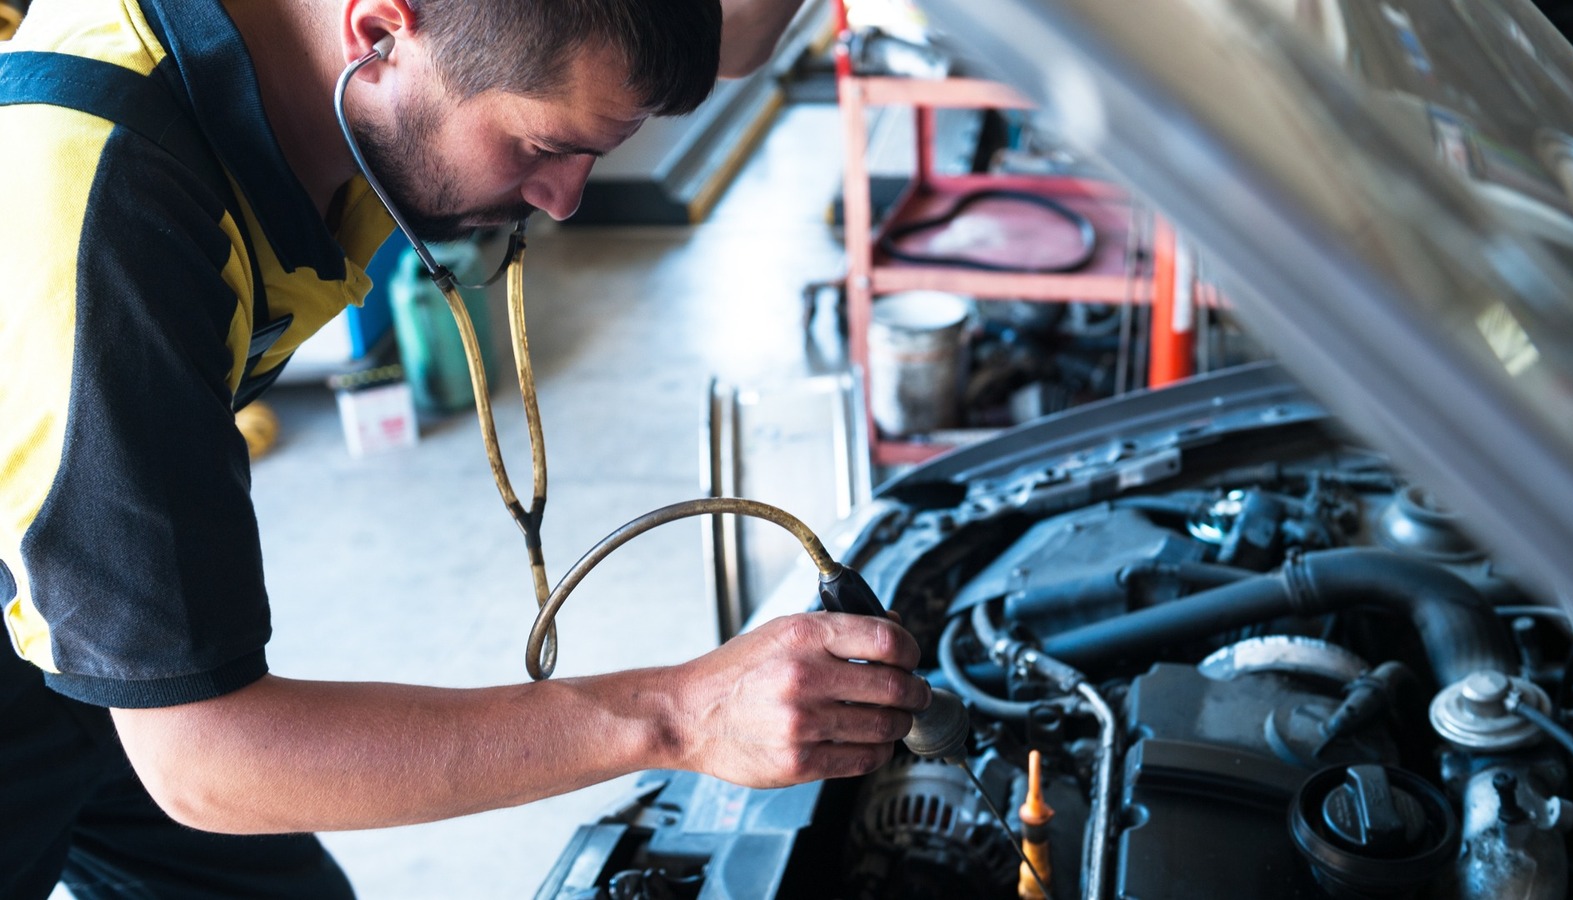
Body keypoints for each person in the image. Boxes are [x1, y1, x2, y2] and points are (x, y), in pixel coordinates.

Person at [0, 0, 930, 897]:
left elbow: (725, 37)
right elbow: (205, 759)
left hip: (96, 571)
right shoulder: (108, 221)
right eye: (540, 147)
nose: (563, 202)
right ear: (377, 33)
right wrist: (681, 716)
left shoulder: (364, 53)